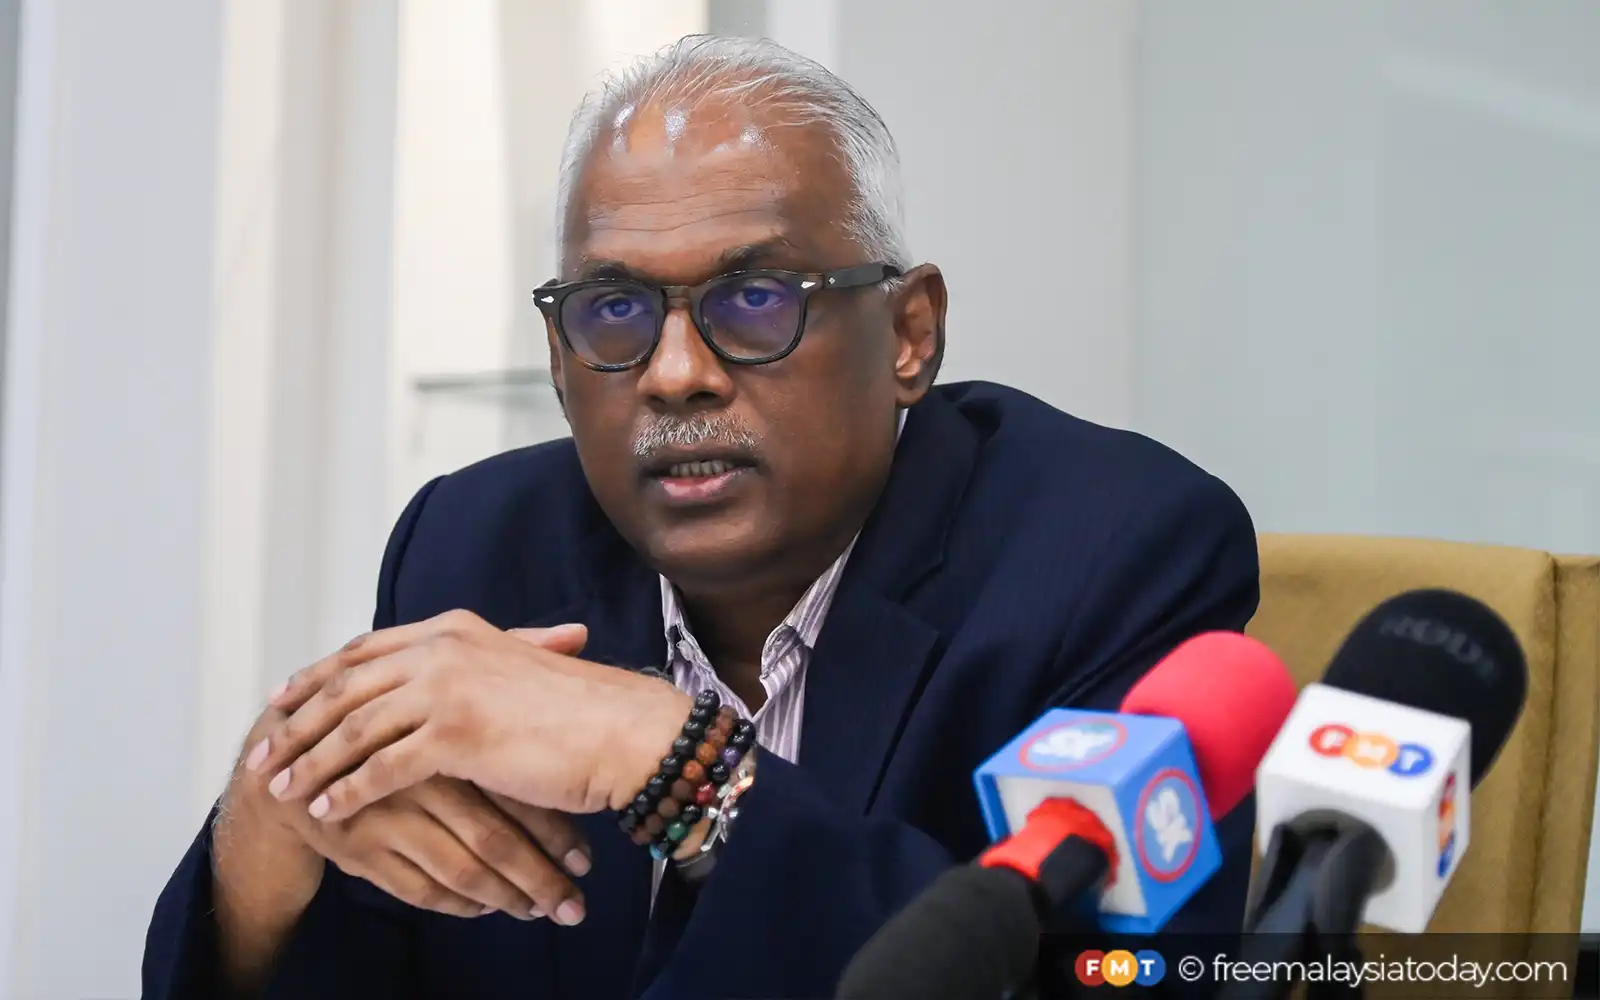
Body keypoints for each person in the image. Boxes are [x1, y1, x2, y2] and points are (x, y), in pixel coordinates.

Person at [142, 34, 1259, 1000]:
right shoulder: (476, 543)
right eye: (615, 309)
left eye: (756, 299)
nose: (675, 373)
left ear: (909, 334)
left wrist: (666, 759)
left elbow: (1114, 972)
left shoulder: (1113, 550)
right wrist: (266, 829)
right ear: (559, 358)